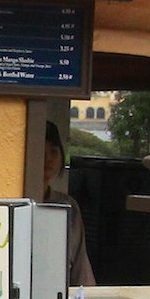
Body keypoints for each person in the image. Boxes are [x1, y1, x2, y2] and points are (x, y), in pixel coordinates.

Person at [41, 120, 96, 288]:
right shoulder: (17, 204)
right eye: (41, 151)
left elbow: (80, 267)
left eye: (54, 151)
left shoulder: (67, 206)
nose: (48, 158)